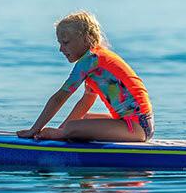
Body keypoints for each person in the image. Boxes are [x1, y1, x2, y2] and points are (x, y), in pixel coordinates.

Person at [17, 11, 154, 142]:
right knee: (79, 121)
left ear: (85, 39)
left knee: (72, 127)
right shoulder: (98, 61)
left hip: (135, 127)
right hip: (139, 124)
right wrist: (62, 130)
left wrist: (35, 130)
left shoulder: (90, 60)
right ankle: (65, 132)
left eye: (65, 42)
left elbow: (60, 98)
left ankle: (65, 133)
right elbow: (87, 101)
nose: (61, 49)